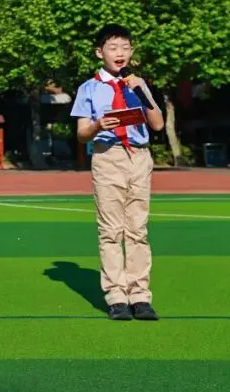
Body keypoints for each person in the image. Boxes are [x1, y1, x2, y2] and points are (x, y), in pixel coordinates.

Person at [70, 24, 164, 321]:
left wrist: (141, 91)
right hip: (108, 156)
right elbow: (81, 134)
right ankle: (116, 296)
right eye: (113, 48)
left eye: (125, 47)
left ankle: (140, 295)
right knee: (111, 230)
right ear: (100, 53)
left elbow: (158, 124)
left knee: (138, 229)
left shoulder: (138, 84)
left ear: (131, 51)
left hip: (139, 157)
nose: (119, 53)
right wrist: (98, 125)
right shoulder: (89, 88)